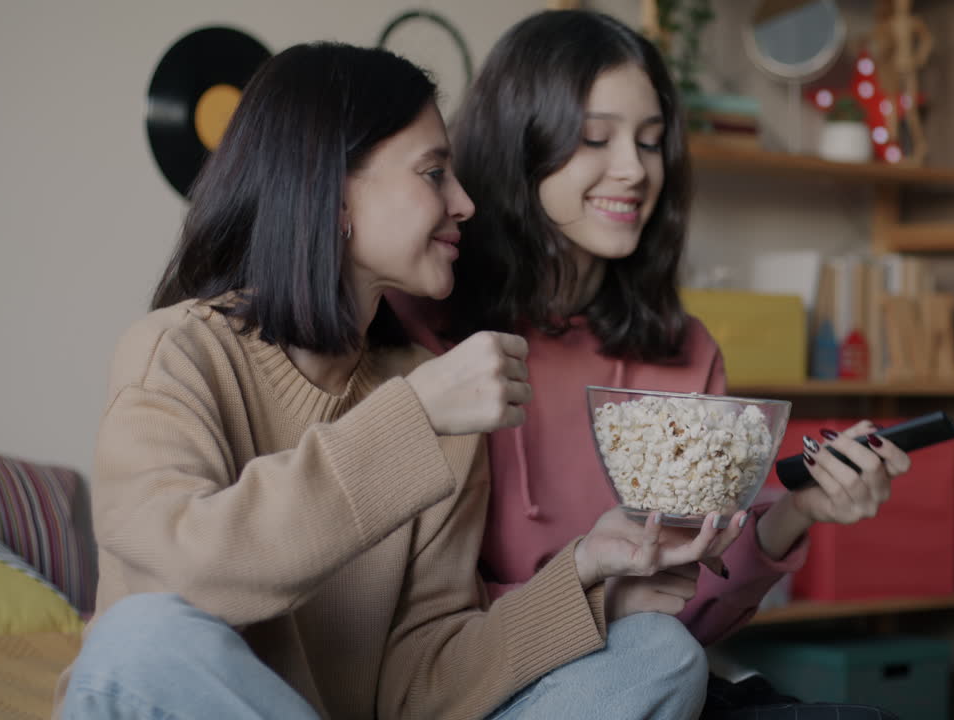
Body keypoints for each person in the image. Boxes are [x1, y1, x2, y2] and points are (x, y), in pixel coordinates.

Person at [56, 41, 745, 720]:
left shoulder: (424, 387)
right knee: (137, 644)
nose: (466, 202)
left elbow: (422, 684)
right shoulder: (176, 352)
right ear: (333, 189)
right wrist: (411, 420)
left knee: (657, 652)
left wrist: (585, 574)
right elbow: (181, 578)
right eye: (434, 172)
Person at [388, 8, 912, 660]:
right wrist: (596, 601)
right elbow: (408, 632)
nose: (635, 170)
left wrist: (797, 512)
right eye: (595, 138)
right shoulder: (422, 335)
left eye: (650, 140)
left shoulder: (683, 352)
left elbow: (683, 621)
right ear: (520, 145)